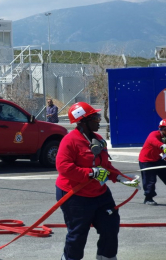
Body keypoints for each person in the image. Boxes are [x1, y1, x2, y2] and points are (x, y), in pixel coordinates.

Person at [56, 102, 140, 260]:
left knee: (110, 226)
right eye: (95, 117)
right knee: (78, 234)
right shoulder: (70, 141)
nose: (98, 120)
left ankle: (106, 257)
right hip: (75, 195)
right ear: (82, 121)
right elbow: (64, 167)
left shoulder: (99, 140)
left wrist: (122, 178)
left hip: (100, 194)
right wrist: (91, 173)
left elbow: (106, 166)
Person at [138, 119, 166, 205]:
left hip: (157, 159)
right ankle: (148, 198)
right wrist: (162, 146)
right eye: (165, 129)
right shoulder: (154, 134)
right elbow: (153, 141)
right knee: (150, 180)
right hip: (146, 161)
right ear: (161, 129)